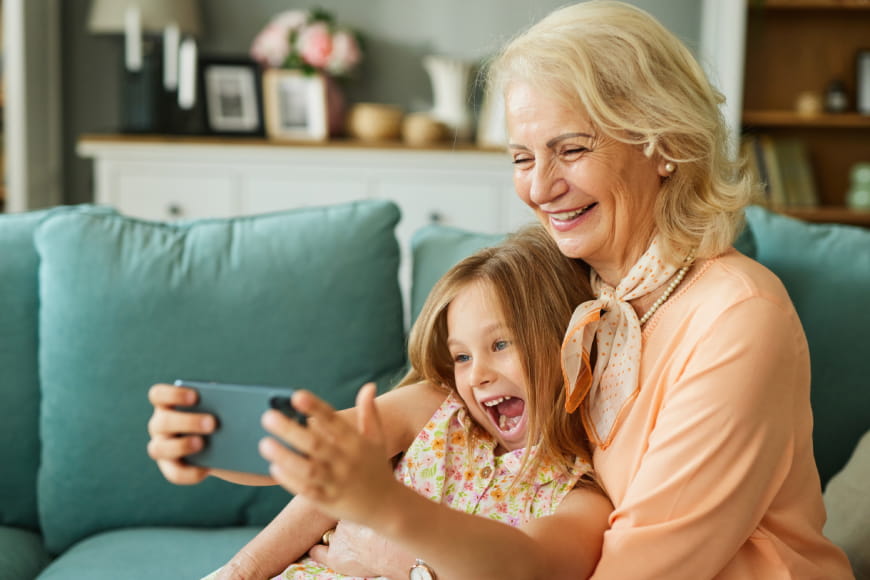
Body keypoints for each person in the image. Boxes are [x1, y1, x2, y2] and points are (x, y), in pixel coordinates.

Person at [249, 1, 853, 577]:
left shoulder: (737, 317)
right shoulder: (562, 284)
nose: (539, 188)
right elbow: (389, 425)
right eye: (520, 157)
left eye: (571, 150)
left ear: (665, 144)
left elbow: (637, 571)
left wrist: (412, 564)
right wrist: (213, 438)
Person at [149, 225, 612, 580]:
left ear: (565, 342)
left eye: (501, 344)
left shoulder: (582, 501)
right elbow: (307, 450)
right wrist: (208, 442)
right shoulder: (436, 409)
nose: (478, 374)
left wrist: (401, 560)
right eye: (462, 356)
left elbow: (521, 568)